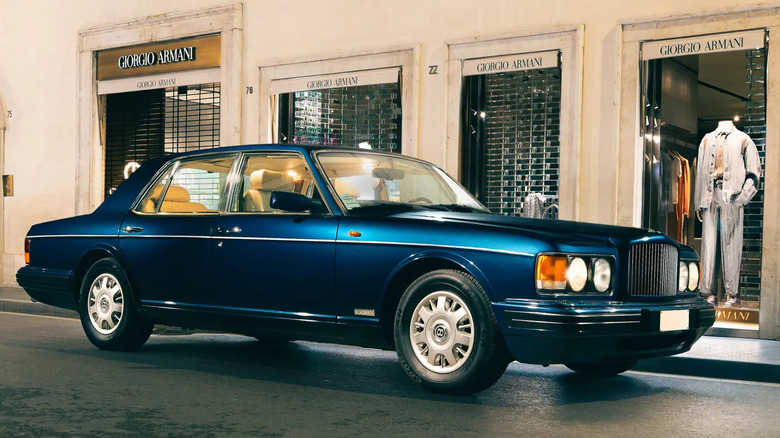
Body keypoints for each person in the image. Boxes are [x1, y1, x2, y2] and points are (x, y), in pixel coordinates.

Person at [693, 120, 761, 307]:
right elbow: (700, 173)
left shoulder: (743, 139)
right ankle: (708, 292)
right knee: (708, 244)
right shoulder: (706, 140)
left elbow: (754, 173)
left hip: (731, 195)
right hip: (709, 195)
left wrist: (741, 198)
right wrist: (698, 202)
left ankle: (733, 294)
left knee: (732, 243)